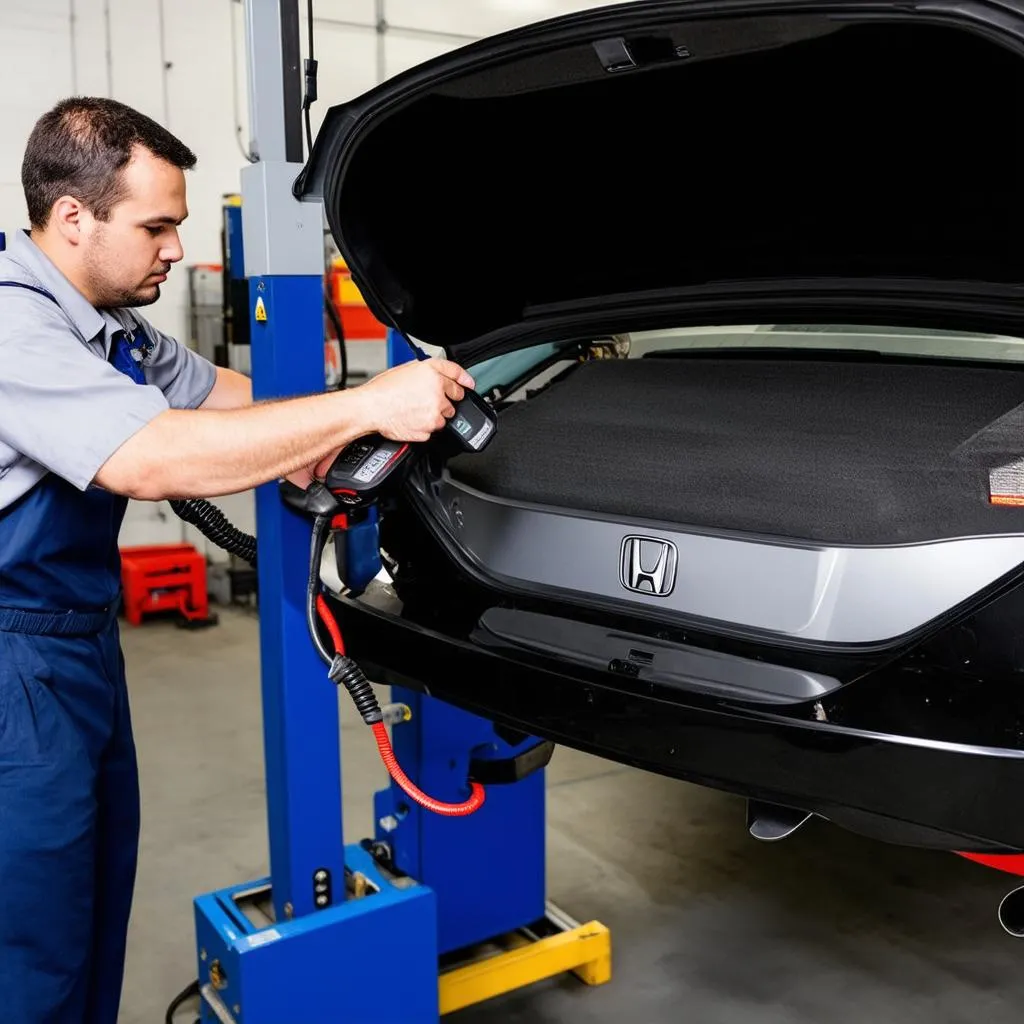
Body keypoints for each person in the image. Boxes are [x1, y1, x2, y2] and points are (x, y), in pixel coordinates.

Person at [0, 96, 474, 1024]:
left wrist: (342, 423)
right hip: (14, 669)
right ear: (72, 219)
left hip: (78, 654)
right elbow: (150, 458)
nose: (176, 248)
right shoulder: (16, 327)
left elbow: (220, 394)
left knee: (92, 910)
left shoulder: (111, 325)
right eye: (157, 227)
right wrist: (362, 407)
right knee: (31, 945)